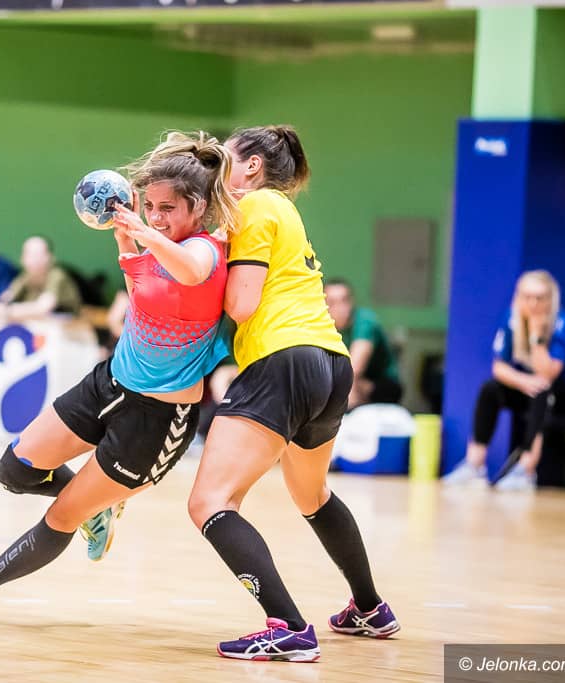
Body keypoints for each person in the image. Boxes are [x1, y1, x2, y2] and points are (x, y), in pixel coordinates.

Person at [0, 131, 236, 620]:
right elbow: (144, 290)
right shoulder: (148, 243)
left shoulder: (206, 248)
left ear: (198, 208)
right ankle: (96, 507)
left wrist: (143, 232)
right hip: (111, 384)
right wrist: (128, 236)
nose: (157, 216)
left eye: (168, 208)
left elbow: (189, 272)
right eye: (150, 206)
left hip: (157, 419)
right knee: (14, 470)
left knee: (61, 515)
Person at [186, 125, 399, 663]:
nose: (218, 169)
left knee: (209, 502)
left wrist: (193, 268)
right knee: (312, 495)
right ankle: (370, 608)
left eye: (226, 158)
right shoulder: (283, 210)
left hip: (283, 360)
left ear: (252, 166)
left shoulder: (255, 205)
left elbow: (241, 304)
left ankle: (289, 627)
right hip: (329, 363)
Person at [444, 270, 565, 491]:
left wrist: (536, 336)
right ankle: (474, 465)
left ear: (551, 299)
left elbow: (547, 374)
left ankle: (526, 470)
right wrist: (524, 382)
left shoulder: (563, 325)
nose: (533, 304)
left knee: (542, 392)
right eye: (527, 297)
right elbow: (499, 368)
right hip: (534, 385)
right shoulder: (511, 319)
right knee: (491, 389)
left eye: (540, 298)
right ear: (518, 297)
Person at [324, 278, 402, 409]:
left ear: (352, 302)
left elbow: (354, 369)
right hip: (346, 382)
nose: (340, 308)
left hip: (382, 386)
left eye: (344, 300)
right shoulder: (321, 325)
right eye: (332, 302)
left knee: (347, 382)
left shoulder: (365, 321)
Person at [0, 235, 82, 319]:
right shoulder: (24, 278)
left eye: (38, 254)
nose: (34, 259)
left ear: (50, 257)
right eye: (29, 254)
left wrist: (7, 311)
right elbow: (6, 298)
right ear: (22, 258)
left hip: (70, 334)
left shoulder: (57, 276)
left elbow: (42, 308)